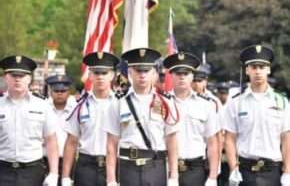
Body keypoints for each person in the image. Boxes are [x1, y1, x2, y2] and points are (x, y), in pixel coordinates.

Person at [104, 48, 179, 186]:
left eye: (146, 70)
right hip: (128, 167)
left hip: (156, 166)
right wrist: (111, 180)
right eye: (139, 70)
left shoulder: (166, 101)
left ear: (153, 73)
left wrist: (174, 176)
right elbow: (111, 144)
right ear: (130, 72)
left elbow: (171, 140)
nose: (142, 75)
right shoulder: (118, 102)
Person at [224, 44, 290, 186]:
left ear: (269, 69)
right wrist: (233, 168)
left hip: (273, 171)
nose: (258, 71)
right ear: (247, 70)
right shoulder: (236, 102)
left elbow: (286, 138)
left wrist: (287, 171)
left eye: (262, 67)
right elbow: (229, 138)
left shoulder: (281, 101)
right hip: (245, 171)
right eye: (254, 67)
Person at [61, 52, 119, 186]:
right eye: (96, 73)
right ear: (90, 75)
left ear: (112, 75)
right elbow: (71, 142)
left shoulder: (121, 104)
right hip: (86, 167)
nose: (100, 77)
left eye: (104, 73)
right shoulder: (80, 105)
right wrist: (65, 177)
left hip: (116, 166)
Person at [0, 55, 59, 186]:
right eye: (13, 75)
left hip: (32, 171)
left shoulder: (42, 105)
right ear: (6, 77)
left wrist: (54, 173)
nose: (17, 79)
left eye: (22, 76)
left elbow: (51, 140)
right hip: (3, 170)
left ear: (29, 78)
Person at [163, 52, 220, 186]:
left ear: (192, 76)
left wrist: (212, 177)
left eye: (186, 73)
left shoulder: (206, 104)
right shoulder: (161, 102)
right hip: (165, 168)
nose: (182, 77)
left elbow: (212, 143)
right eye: (178, 73)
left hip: (195, 169)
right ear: (171, 75)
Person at [45, 74, 76, 186]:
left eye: (63, 90)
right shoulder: (43, 108)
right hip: (45, 161)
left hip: (69, 161)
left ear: (68, 92)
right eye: (56, 90)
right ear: (50, 91)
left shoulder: (76, 110)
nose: (59, 93)